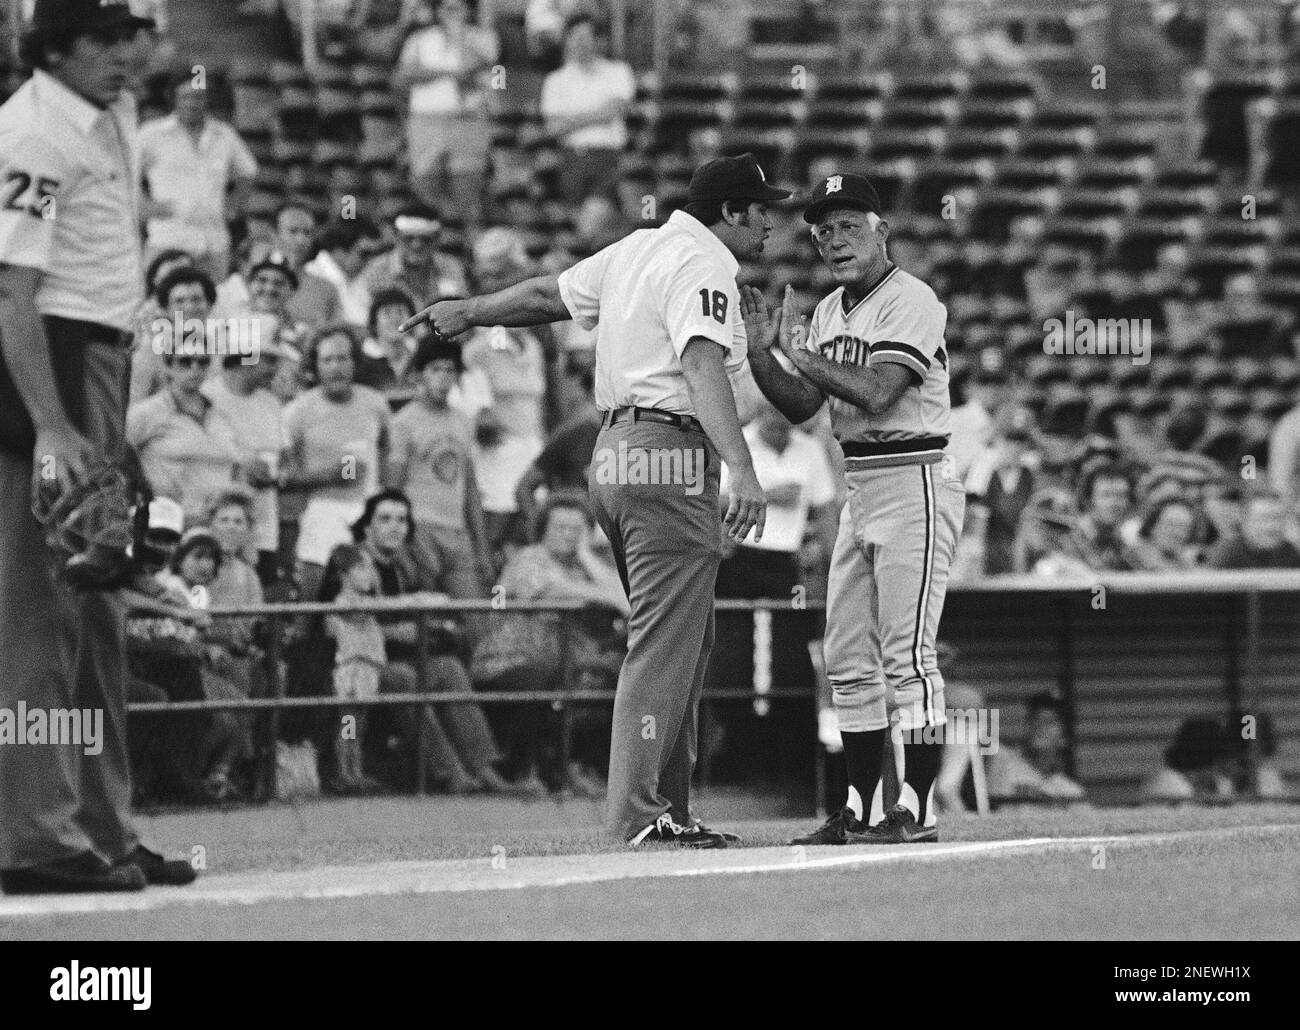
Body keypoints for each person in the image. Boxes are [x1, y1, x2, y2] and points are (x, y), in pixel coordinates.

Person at [403, 153, 785, 846]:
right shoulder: (704, 265)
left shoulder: (638, 248)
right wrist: (744, 469)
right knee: (666, 644)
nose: (771, 223)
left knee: (686, 642)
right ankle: (639, 814)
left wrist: (470, 311)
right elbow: (700, 364)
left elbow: (551, 295)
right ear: (730, 212)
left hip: (614, 453)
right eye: (763, 210)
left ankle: (668, 807)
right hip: (670, 452)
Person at [0, 0, 197, 894]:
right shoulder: (34, 132)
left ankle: (103, 828)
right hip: (56, 359)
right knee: (39, 619)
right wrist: (47, 424)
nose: (127, 53)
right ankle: (36, 839)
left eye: (133, 35)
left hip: (105, 359)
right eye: (104, 39)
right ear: (54, 48)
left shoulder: (107, 112)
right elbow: (12, 295)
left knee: (100, 614)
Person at [741, 172, 965, 846]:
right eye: (824, 229)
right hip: (861, 485)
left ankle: (917, 810)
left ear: (881, 231)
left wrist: (803, 356)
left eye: (848, 225)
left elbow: (875, 391)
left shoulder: (912, 299)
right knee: (845, 657)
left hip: (916, 478)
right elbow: (807, 405)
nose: (835, 239)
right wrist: (761, 354)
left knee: (907, 657)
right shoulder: (834, 308)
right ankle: (864, 810)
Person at [476, 492, 628, 795]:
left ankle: (581, 769)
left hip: (567, 663)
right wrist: (606, 596)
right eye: (560, 527)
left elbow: (625, 596)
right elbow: (555, 590)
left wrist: (585, 553)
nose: (568, 535)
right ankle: (525, 773)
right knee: (548, 680)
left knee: (619, 676)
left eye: (576, 529)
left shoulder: (585, 565)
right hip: (507, 662)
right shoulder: (528, 559)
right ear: (544, 528)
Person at [282, 324, 391, 603]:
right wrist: (329, 476)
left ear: (354, 361)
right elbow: (281, 476)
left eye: (343, 358)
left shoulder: (376, 404)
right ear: (315, 366)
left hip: (368, 511)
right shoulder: (298, 411)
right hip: (322, 510)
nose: (336, 367)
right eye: (327, 360)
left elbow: (386, 459)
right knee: (315, 598)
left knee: (373, 596)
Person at [387, 334, 493, 599]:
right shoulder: (403, 422)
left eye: (450, 370)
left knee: (475, 617)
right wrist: (399, 542)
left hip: (457, 532)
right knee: (427, 618)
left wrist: (481, 548)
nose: (443, 377)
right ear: (419, 374)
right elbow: (392, 490)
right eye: (435, 369)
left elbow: (470, 489)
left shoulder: (464, 420)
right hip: (419, 530)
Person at [137, 70, 258, 283]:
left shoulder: (224, 135)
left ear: (207, 99)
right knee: (164, 302)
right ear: (174, 99)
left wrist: (233, 206)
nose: (192, 103)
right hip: (169, 238)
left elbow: (248, 172)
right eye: (185, 97)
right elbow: (127, 173)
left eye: (198, 97)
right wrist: (144, 205)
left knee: (213, 306)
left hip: (214, 242)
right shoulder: (152, 134)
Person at [394, 0, 500, 225]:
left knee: (468, 192)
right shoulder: (419, 39)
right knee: (425, 187)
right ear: (438, 11)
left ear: (467, 10)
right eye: (447, 8)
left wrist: (460, 38)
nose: (452, 13)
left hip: (467, 121)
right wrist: (450, 73)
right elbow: (406, 74)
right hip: (426, 121)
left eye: (458, 7)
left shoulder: (483, 37)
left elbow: (481, 65)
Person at [126, 348, 243, 526]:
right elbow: (118, 455)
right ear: (168, 366)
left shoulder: (221, 414)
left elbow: (235, 464)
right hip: (166, 524)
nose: (195, 368)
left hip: (219, 525)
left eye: (203, 362)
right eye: (185, 361)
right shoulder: (147, 412)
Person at [539, 14, 635, 203]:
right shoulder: (554, 80)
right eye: (573, 37)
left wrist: (571, 120)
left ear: (598, 40)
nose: (578, 43)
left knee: (597, 214)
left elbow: (615, 111)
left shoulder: (619, 71)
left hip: (609, 157)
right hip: (570, 158)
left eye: (584, 37)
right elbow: (553, 128)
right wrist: (597, 115)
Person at [322, 544, 386, 793]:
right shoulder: (343, 602)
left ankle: (356, 772)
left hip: (369, 670)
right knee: (347, 723)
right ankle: (344, 773)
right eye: (361, 568)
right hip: (351, 672)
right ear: (343, 575)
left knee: (360, 726)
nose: (369, 573)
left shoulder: (367, 601)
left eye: (371, 568)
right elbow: (356, 614)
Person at [361, 203, 469, 309]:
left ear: (437, 239)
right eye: (408, 238)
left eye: (425, 239)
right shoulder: (377, 270)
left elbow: (461, 311)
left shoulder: (451, 267)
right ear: (395, 237)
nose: (416, 245)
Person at [986, 693, 1087, 805]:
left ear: (1064, 738)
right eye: (1034, 719)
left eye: (1049, 721)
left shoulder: (1070, 792)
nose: (1038, 726)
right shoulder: (1001, 761)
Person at [305, 217, 387, 329]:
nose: (370, 261)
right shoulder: (311, 275)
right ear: (338, 250)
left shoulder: (360, 279)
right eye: (365, 254)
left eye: (374, 254)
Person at [273, 202, 343, 329]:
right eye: (293, 231)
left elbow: (337, 332)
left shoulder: (327, 288)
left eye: (307, 233)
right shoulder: (255, 281)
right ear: (276, 235)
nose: (301, 240)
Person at [1206, 489, 1300, 568]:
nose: (1272, 527)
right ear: (1245, 521)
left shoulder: (1288, 552)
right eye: (1264, 519)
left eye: (1278, 518)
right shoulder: (1229, 552)